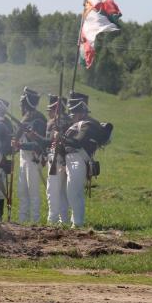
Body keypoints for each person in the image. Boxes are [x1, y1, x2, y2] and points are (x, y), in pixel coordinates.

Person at [63, 91, 105, 227]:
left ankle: (78, 223)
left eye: (74, 114)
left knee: (74, 193)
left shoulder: (87, 125)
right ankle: (76, 222)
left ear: (80, 113)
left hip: (78, 160)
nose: (72, 117)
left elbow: (77, 142)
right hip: (71, 160)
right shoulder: (76, 125)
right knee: (72, 193)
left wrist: (61, 138)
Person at [14, 88, 47, 223]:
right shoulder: (25, 119)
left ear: (27, 104)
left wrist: (19, 145)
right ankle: (23, 220)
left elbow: (37, 144)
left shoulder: (39, 119)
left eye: (23, 104)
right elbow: (18, 138)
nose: (21, 107)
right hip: (23, 158)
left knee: (33, 192)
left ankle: (35, 221)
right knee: (22, 192)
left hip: (33, 158)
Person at [44, 94, 71, 225]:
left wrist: (34, 137)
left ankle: (52, 219)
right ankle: (64, 220)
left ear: (56, 108)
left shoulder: (55, 122)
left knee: (52, 191)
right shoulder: (69, 121)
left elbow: (48, 142)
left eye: (51, 109)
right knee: (61, 192)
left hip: (56, 158)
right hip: (65, 159)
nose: (49, 112)